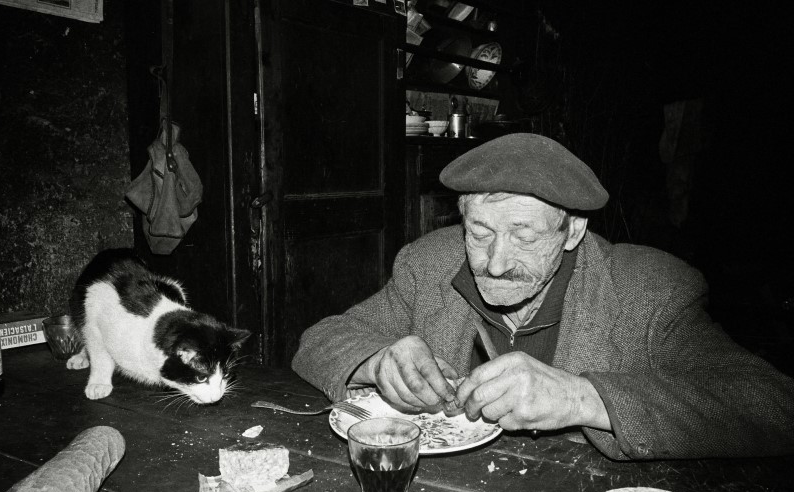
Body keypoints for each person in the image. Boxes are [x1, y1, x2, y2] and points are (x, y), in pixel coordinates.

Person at [291, 133, 794, 460]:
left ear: (573, 230)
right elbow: (319, 340)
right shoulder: (428, 264)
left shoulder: (650, 291)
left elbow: (772, 408)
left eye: (526, 237)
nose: (495, 262)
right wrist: (377, 361)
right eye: (479, 231)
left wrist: (584, 398)